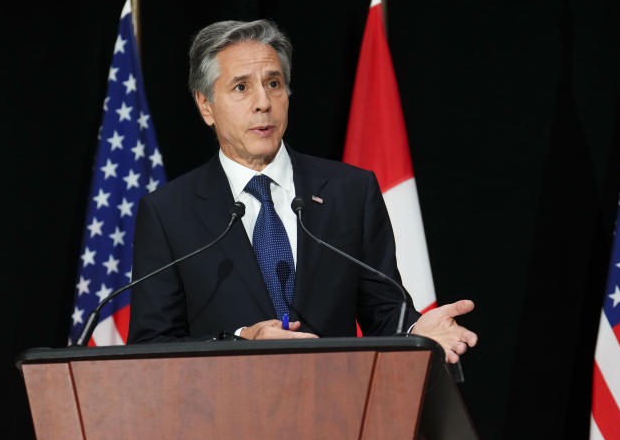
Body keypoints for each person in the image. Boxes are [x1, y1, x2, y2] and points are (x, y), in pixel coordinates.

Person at [128, 19, 476, 362]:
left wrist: (416, 333)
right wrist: (237, 340)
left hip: (335, 406)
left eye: (274, 83)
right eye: (241, 88)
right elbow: (151, 345)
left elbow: (384, 313)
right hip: (223, 410)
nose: (263, 102)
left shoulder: (350, 192)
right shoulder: (168, 212)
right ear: (206, 105)